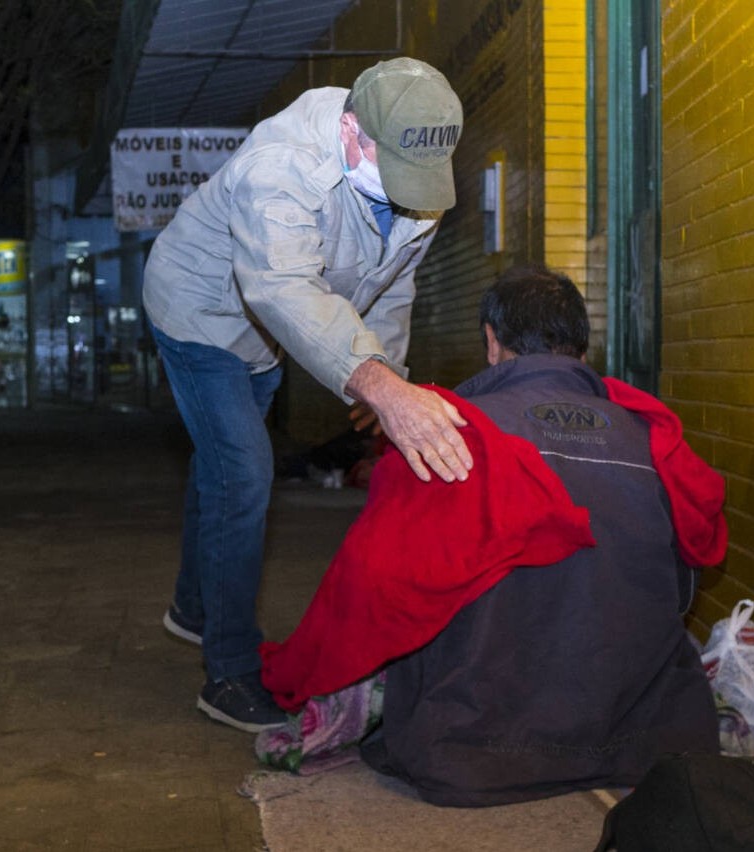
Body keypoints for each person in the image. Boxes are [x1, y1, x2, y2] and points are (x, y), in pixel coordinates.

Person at [256, 264, 725, 803]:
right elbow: (689, 574)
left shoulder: (443, 435)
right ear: (581, 347)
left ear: (491, 342)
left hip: (473, 750)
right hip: (649, 744)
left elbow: (367, 596)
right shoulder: (653, 436)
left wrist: (301, 672)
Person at [142, 57, 475, 732]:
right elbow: (283, 288)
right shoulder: (281, 167)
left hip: (269, 337)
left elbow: (394, 284)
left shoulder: (416, 171)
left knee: (223, 466)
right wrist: (377, 384)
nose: (413, 195)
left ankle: (192, 606)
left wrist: (388, 369)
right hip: (200, 313)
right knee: (244, 472)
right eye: (396, 173)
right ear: (353, 133)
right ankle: (229, 673)